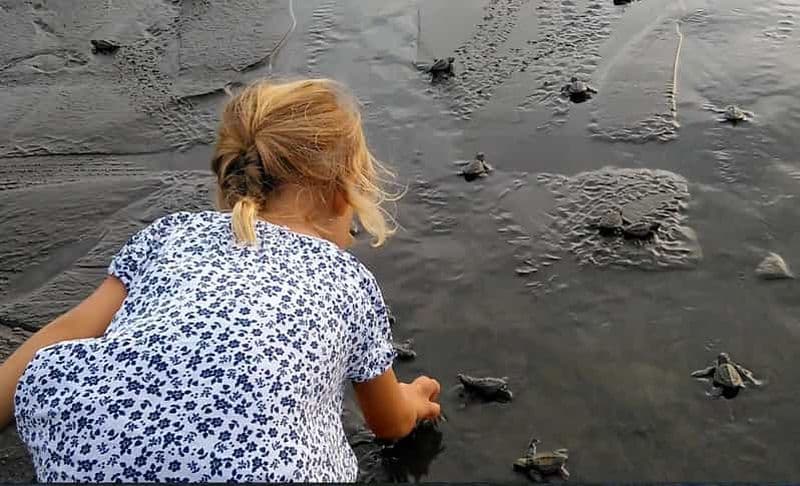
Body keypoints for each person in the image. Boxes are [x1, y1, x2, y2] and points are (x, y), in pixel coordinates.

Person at [0, 78, 441, 482]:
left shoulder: (171, 232)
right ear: (343, 195)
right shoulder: (349, 280)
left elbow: (66, 332)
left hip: (82, 449)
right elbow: (389, 423)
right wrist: (414, 399)